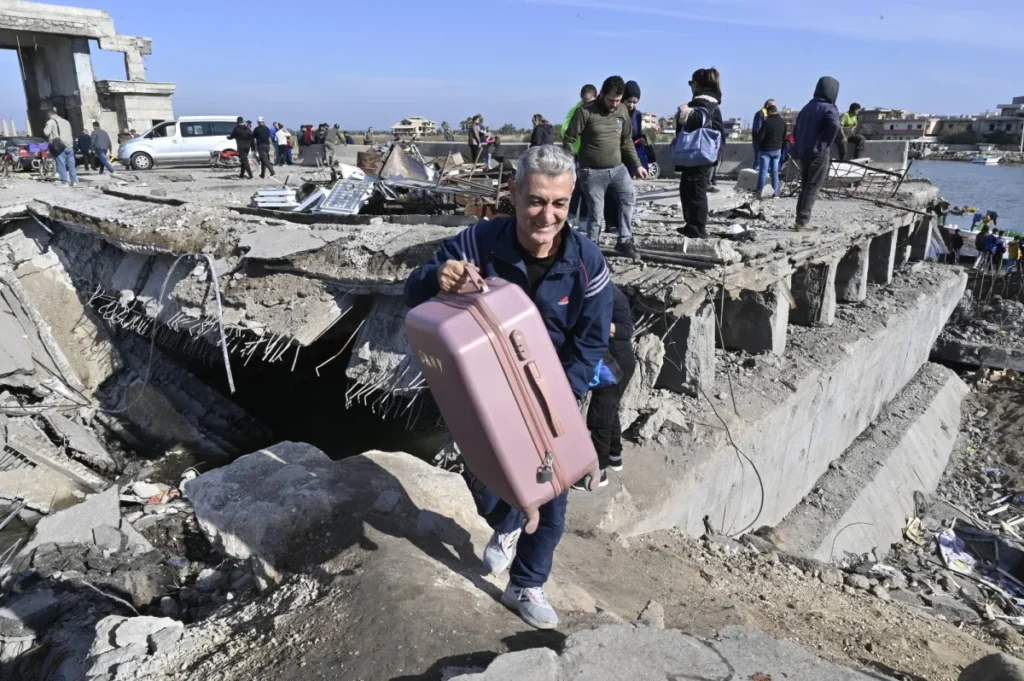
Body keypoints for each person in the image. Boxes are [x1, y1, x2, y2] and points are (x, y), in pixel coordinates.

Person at [404, 145, 611, 631]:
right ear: (514, 194)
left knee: (553, 491)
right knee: (483, 477)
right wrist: (437, 277)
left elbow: (591, 341)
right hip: (481, 394)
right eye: (536, 200)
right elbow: (413, 291)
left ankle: (526, 583)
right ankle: (508, 520)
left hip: (549, 396)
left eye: (559, 203)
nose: (547, 215)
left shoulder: (586, 261)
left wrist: (559, 399)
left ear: (571, 201)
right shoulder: (479, 242)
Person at [562, 75, 647, 258]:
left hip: (617, 169)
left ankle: (624, 241)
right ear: (602, 94)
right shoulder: (585, 112)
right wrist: (571, 168)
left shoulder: (622, 110)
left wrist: (638, 165)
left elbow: (627, 141)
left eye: (618, 100)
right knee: (596, 211)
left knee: (628, 198)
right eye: (611, 100)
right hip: (592, 172)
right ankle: (592, 248)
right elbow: (568, 139)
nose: (614, 104)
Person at [573, 281, 635, 486]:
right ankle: (615, 457)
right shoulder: (599, 293)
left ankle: (598, 473)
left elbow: (626, 330)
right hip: (610, 363)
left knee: (599, 418)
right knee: (609, 411)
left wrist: (595, 324)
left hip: (616, 365)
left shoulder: (613, 295)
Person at [674, 68, 724, 240]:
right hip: (706, 154)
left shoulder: (702, 104)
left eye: (691, 83)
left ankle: (697, 228)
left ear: (696, 84)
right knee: (690, 189)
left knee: (695, 191)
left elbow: (696, 123)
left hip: (698, 154)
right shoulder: (713, 103)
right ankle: (692, 225)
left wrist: (684, 112)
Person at [793, 76, 841, 230]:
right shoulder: (829, 108)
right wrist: (826, 142)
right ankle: (803, 220)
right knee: (813, 186)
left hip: (804, 152)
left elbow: (796, 128)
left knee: (805, 186)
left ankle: (799, 218)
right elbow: (835, 125)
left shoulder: (807, 107)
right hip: (818, 152)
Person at [564, 84, 598, 229]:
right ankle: (571, 217)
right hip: (578, 154)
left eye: (589, 102)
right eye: (584, 101)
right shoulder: (576, 111)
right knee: (576, 187)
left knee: (588, 189)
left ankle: (584, 219)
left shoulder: (600, 111)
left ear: (596, 97)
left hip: (593, 155)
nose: (586, 105)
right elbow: (565, 130)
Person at [755, 104, 786, 198]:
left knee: (763, 172)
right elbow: (784, 137)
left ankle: (759, 192)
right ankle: (775, 193)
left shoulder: (766, 122)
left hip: (766, 150)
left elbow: (761, 137)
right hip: (777, 150)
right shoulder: (782, 122)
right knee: (775, 172)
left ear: (769, 112)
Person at [43, 109, 77, 187]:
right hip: (69, 145)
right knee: (71, 164)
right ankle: (74, 181)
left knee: (61, 164)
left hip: (60, 146)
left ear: (51, 115)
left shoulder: (51, 122)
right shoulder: (66, 122)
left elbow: (46, 133)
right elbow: (70, 132)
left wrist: (46, 127)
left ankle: (64, 182)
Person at [622, 80, 649, 177]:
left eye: (634, 102)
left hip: (632, 155)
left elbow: (637, 132)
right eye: (629, 101)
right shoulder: (616, 113)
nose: (631, 105)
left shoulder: (637, 115)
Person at [751, 99, 775, 172]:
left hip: (767, 143)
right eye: (772, 106)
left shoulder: (769, 115)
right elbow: (757, 130)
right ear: (767, 106)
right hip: (759, 142)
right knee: (758, 162)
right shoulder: (760, 114)